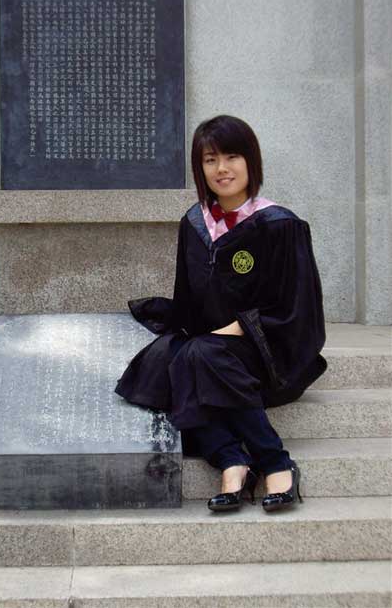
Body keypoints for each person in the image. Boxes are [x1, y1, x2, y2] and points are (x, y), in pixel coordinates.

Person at [115, 114, 328, 513]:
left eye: (232, 157)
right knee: (173, 359)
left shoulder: (280, 226)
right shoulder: (194, 223)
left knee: (200, 354)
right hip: (211, 349)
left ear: (251, 161)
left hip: (267, 350)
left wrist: (237, 329)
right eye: (210, 160)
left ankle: (274, 462)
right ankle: (231, 459)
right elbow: (187, 298)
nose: (222, 169)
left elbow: (298, 308)